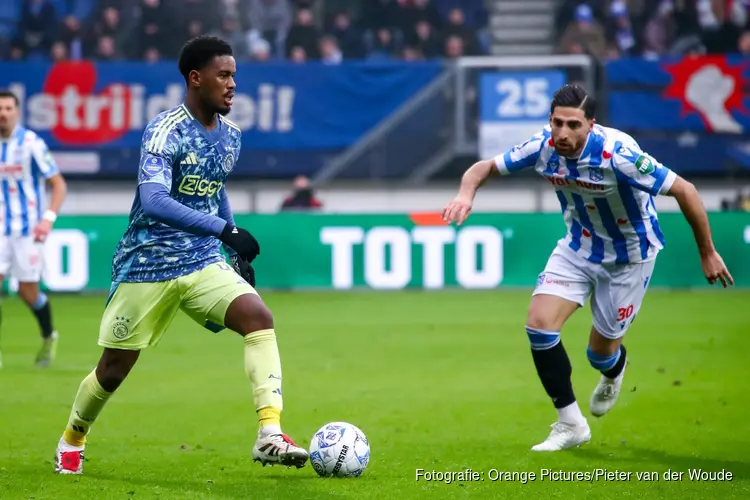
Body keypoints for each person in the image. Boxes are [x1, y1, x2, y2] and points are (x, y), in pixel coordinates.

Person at [54, 36, 309, 475]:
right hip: (148, 264)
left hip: (203, 260)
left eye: (234, 76)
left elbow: (215, 185)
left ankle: (270, 433)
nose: (232, 85)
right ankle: (73, 439)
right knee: (113, 369)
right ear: (196, 78)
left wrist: (227, 243)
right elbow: (153, 201)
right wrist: (225, 228)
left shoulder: (231, 135)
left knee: (258, 318)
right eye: (223, 75)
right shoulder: (164, 129)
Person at [442, 84, 734, 452]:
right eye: (557, 123)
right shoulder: (542, 146)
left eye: (573, 125)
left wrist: (707, 252)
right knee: (539, 325)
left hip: (630, 257)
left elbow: (686, 191)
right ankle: (570, 423)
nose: (563, 133)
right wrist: (465, 194)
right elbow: (483, 168)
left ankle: (613, 369)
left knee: (599, 354)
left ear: (590, 125)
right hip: (578, 248)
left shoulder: (620, 155)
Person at [0, 90, 67, 369]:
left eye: (7, 108)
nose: (3, 113)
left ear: (17, 111)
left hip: (28, 231)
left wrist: (48, 217)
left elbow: (58, 184)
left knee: (28, 292)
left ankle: (49, 335)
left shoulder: (30, 144)